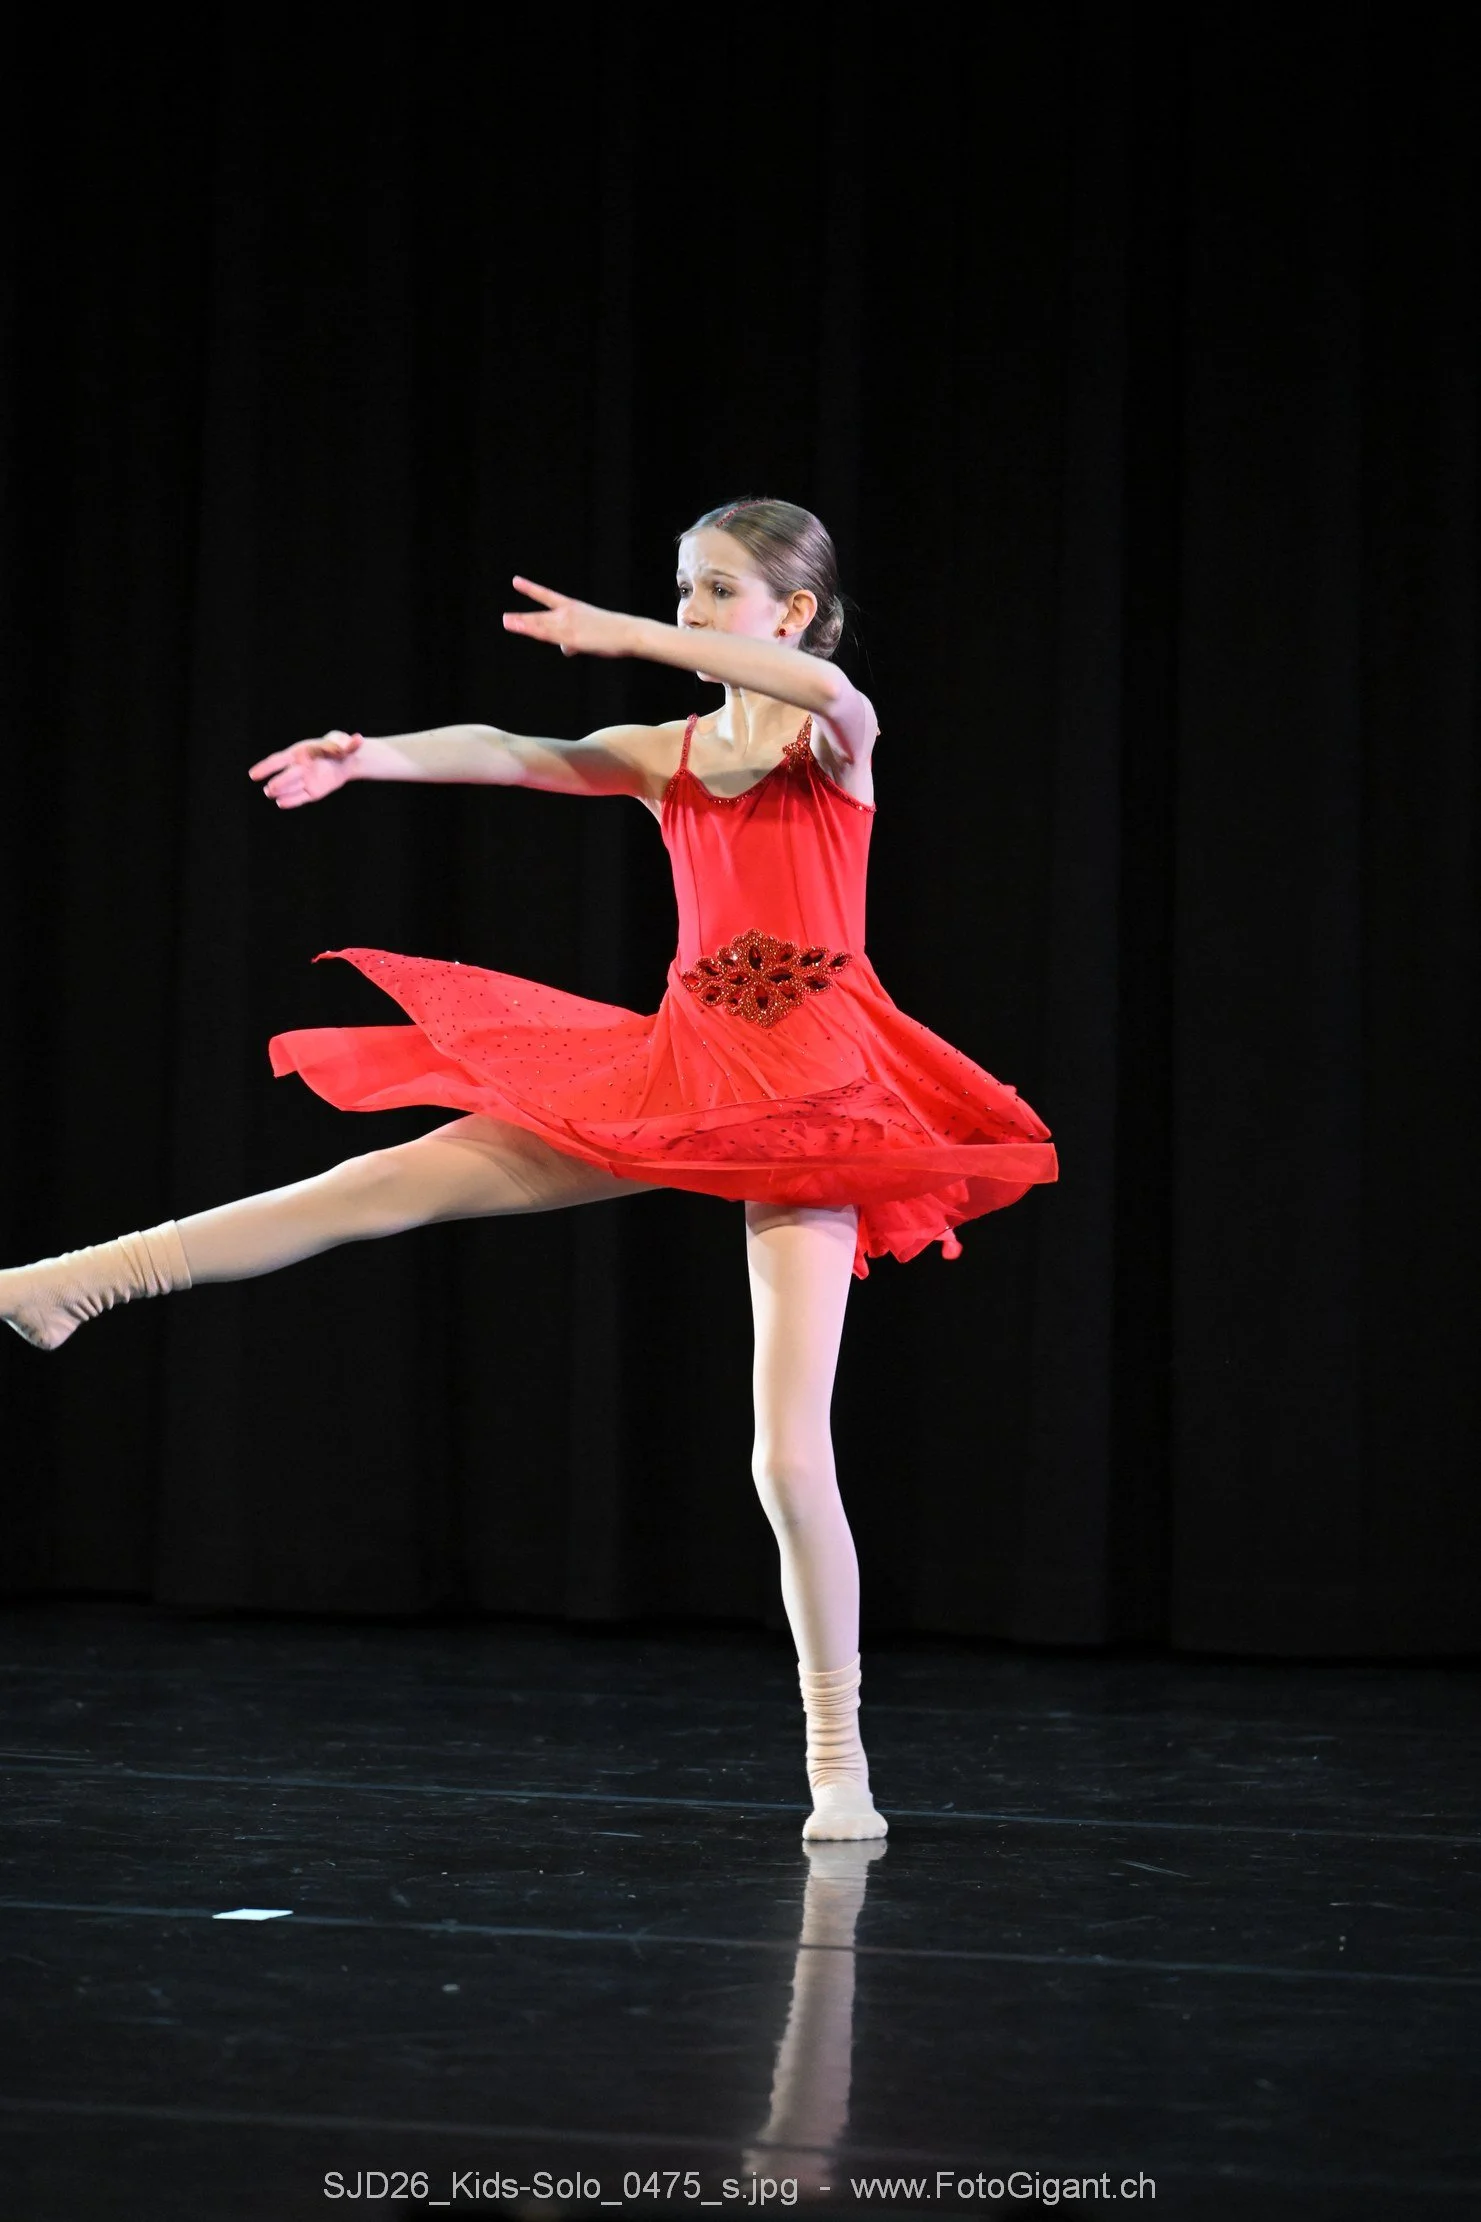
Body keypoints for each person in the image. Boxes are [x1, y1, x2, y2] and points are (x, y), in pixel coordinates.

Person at [1, 498, 1058, 1841]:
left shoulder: (834, 743)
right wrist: (372, 758)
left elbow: (828, 690)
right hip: (677, 1075)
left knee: (787, 1455)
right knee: (388, 1180)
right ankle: (69, 1282)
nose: (689, 610)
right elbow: (514, 751)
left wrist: (629, 635)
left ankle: (837, 1758)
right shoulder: (668, 755)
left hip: (815, 1105)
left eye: (717, 590)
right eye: (682, 588)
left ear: (792, 612)